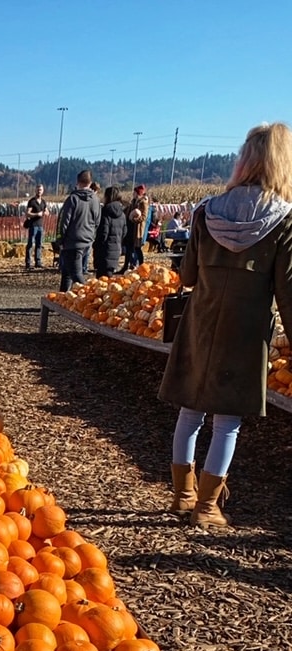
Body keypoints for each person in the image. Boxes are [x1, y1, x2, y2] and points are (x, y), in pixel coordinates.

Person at [160, 121, 292, 528]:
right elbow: (288, 292)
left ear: (244, 160)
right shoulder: (284, 221)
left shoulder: (206, 211)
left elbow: (188, 278)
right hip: (246, 329)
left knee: (190, 411)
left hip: (201, 320)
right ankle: (207, 506)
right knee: (227, 422)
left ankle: (182, 495)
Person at [56, 170, 101, 291]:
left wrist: (60, 240)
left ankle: (90, 296)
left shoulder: (73, 199)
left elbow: (63, 221)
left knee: (76, 275)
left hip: (72, 242)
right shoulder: (95, 200)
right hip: (87, 241)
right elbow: (97, 221)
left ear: (77, 182)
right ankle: (63, 299)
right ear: (90, 182)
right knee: (67, 273)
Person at [93, 186, 127, 277]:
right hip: (116, 250)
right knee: (108, 279)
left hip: (104, 251)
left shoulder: (105, 212)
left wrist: (96, 245)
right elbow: (124, 232)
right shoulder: (122, 214)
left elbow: (103, 233)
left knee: (101, 281)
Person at [124, 184, 149, 271]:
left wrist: (134, 219)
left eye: (134, 192)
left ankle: (142, 266)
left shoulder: (143, 203)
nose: (133, 194)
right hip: (130, 227)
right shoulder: (133, 202)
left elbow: (144, 217)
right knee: (129, 247)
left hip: (137, 228)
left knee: (137, 248)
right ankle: (128, 265)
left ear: (138, 193)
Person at [24, 183, 47, 270]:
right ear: (35, 190)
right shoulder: (32, 201)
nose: (39, 191)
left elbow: (46, 211)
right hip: (33, 226)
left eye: (40, 190)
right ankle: (28, 263)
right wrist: (37, 214)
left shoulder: (43, 202)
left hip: (40, 226)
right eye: (37, 189)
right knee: (30, 244)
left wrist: (45, 213)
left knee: (39, 244)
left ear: (43, 191)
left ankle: (38, 262)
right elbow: (27, 213)